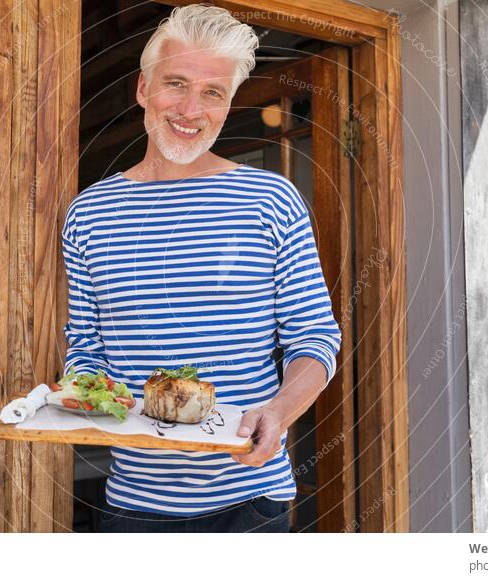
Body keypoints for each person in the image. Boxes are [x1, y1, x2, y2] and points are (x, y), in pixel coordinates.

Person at [61, 3, 341, 533]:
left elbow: (315, 337)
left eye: (212, 92)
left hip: (251, 503)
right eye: (176, 84)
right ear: (143, 89)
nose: (192, 108)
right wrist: (85, 393)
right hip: (133, 505)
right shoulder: (88, 214)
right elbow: (86, 345)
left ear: (228, 103)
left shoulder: (270, 200)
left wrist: (279, 412)